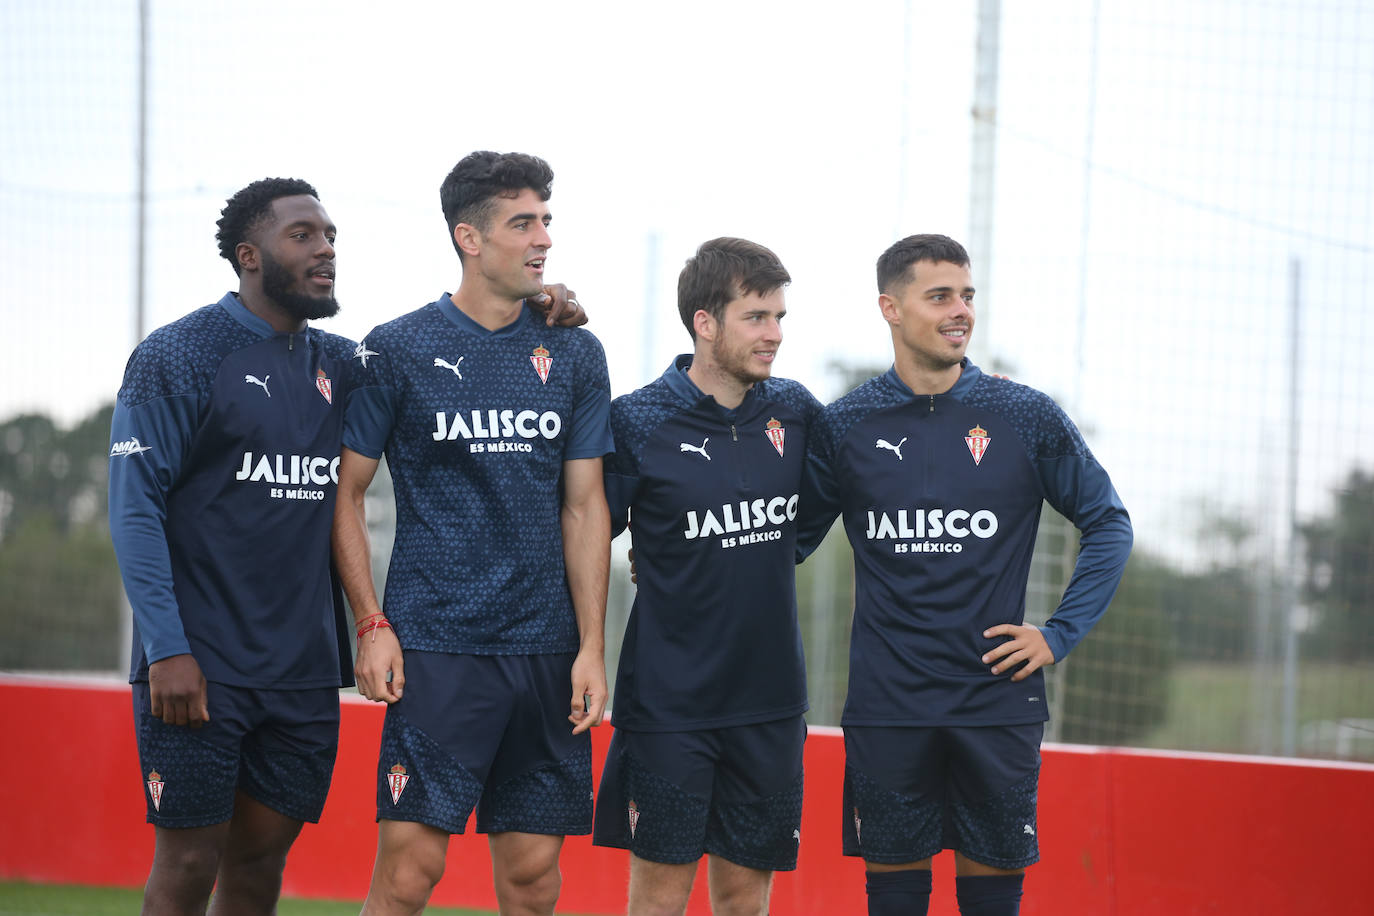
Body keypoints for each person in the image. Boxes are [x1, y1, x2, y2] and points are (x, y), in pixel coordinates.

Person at [107, 177, 586, 916]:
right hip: (197, 662)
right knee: (189, 860)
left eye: (330, 236)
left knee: (261, 859)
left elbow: (454, 356)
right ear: (248, 255)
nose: (325, 250)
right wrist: (164, 647)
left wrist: (540, 300)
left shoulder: (346, 363)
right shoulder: (178, 355)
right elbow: (135, 513)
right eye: (303, 236)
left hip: (301, 674)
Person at [798, 234, 1133, 916]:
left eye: (968, 295)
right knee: (894, 900)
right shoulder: (845, 426)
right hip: (889, 707)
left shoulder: (1024, 415)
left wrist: (1059, 633)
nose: (961, 311)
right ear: (891, 308)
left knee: (992, 901)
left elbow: (1109, 522)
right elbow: (780, 541)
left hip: (996, 703)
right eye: (940, 296)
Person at [333, 151, 613, 916]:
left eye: (546, 221)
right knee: (408, 875)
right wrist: (372, 624)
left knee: (532, 883)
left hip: (545, 653)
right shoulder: (396, 348)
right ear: (469, 237)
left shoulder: (576, 352)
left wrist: (591, 647)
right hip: (436, 648)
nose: (542, 239)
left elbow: (586, 508)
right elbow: (346, 493)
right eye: (522, 223)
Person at [592, 238, 821, 916]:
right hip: (670, 706)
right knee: (660, 900)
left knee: (745, 903)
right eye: (757, 316)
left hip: (772, 703)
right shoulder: (635, 420)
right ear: (705, 322)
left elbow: (824, 506)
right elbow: (583, 536)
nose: (774, 334)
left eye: (780, 317)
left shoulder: (797, 411)